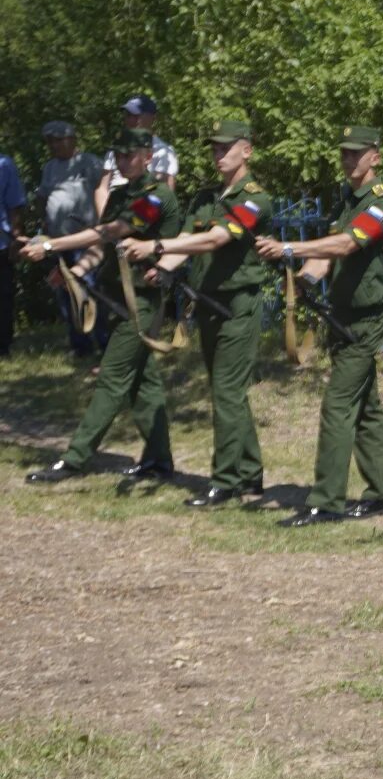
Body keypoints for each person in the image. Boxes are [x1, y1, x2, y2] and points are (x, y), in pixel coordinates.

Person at [18, 128, 185, 482]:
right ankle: (158, 460)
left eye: (130, 155)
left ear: (147, 157)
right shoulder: (120, 193)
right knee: (144, 382)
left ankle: (75, 458)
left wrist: (51, 246)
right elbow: (101, 245)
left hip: (142, 302)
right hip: (117, 298)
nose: (123, 162)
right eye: (119, 156)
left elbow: (112, 232)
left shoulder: (157, 198)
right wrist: (75, 271)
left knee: (112, 379)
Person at [258, 125, 383, 527]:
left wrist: (289, 247)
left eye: (356, 153)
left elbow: (346, 245)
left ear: (375, 156)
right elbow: (328, 257)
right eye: (344, 153)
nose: (348, 160)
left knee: (338, 407)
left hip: (364, 322)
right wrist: (304, 278)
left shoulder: (381, 205)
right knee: (366, 410)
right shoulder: (348, 203)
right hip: (341, 316)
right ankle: (382, 493)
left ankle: (325, 501)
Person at [129, 119, 273, 507]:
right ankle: (250, 473)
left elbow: (217, 238)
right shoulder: (206, 198)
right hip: (208, 303)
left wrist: (156, 248)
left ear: (247, 151)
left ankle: (224, 480)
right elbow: (188, 243)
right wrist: (163, 266)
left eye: (226, 147)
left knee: (226, 391)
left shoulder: (255, 199)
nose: (218, 153)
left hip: (238, 305)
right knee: (227, 392)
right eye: (213, 147)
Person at [36, 121, 108, 356]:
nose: (54, 145)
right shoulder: (49, 168)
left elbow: (105, 194)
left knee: (89, 290)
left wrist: (102, 230)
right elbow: (43, 198)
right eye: (50, 141)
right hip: (58, 241)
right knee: (66, 293)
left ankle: (103, 341)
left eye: (58, 140)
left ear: (72, 139)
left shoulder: (91, 163)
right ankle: (80, 345)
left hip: (86, 240)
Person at [97, 94, 179, 214]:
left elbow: (165, 192)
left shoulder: (164, 151)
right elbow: (102, 188)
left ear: (152, 118)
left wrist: (119, 227)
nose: (131, 120)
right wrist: (104, 219)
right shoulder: (116, 148)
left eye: (137, 116)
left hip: (143, 213)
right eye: (128, 115)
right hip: (113, 207)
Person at [0, 150, 22, 356]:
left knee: (3, 295)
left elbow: (14, 204)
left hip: (1, 243)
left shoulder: (4, 164)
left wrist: (16, 238)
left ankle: (3, 345)